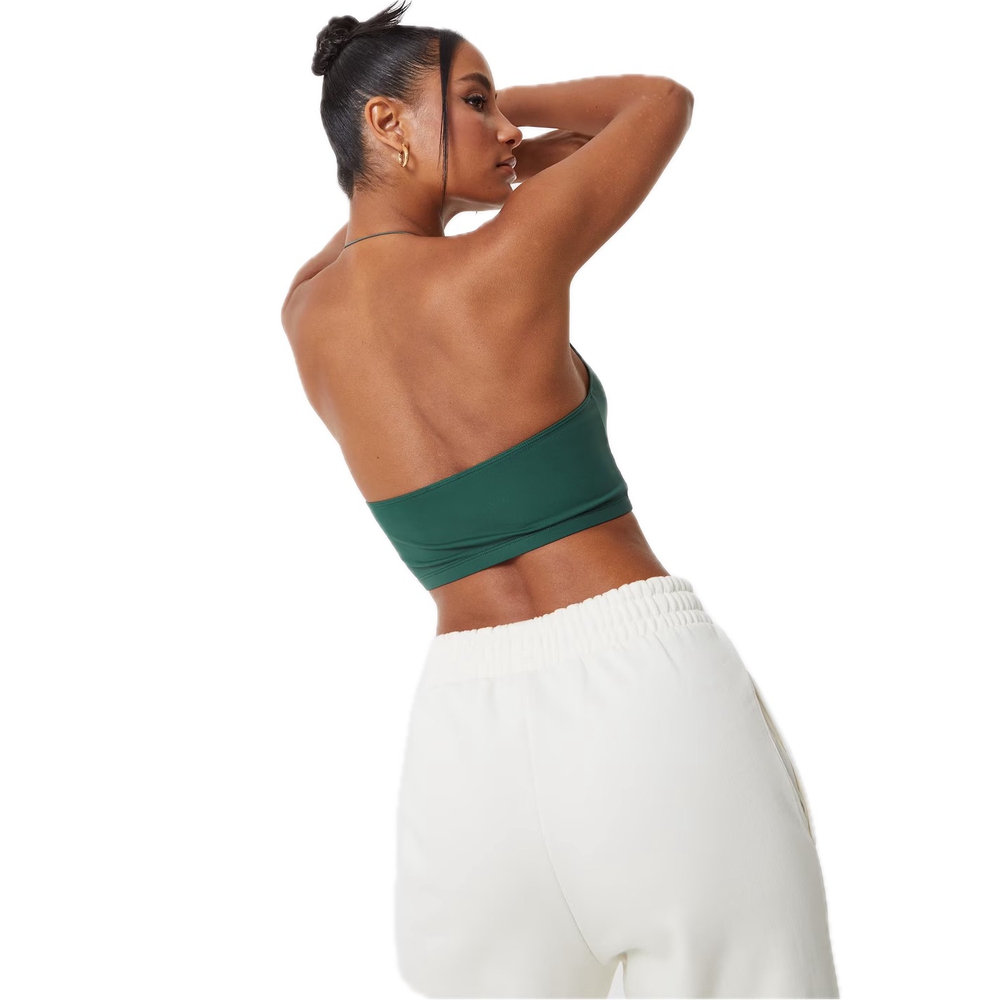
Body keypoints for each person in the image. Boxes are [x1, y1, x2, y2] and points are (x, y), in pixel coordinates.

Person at [280, 3, 840, 997]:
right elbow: (656, 103)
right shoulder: (513, 252)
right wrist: (515, 130)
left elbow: (373, 225)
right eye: (476, 100)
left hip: (464, 739)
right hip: (643, 699)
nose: (504, 128)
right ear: (385, 121)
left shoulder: (304, 307)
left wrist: (454, 146)